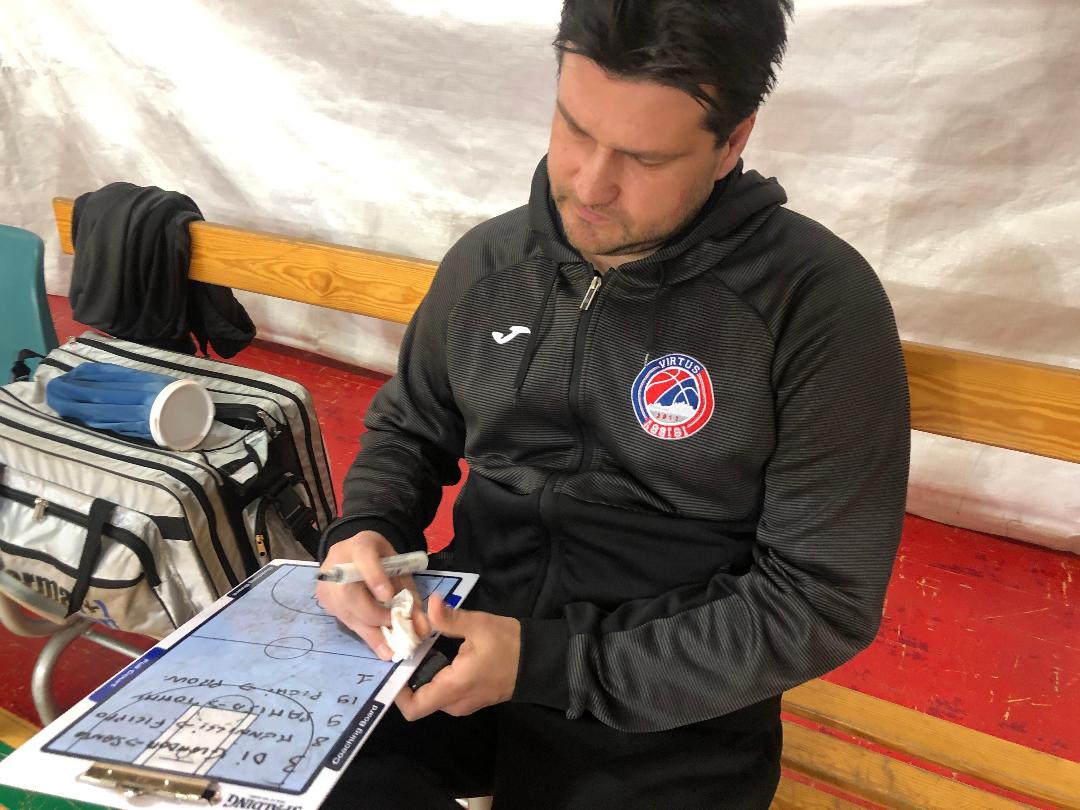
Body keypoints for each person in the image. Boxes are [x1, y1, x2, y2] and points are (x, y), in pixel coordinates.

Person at [318, 1, 910, 806]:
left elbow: (820, 600)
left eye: (643, 157)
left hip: (668, 704)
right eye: (574, 128)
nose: (590, 185)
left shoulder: (817, 305)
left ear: (732, 141)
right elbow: (410, 427)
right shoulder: (491, 260)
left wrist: (549, 664)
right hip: (456, 637)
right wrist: (366, 529)